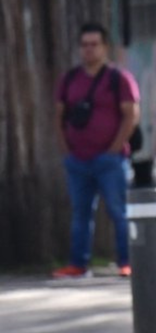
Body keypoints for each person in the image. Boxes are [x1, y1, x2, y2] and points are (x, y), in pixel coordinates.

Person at [52, 22, 140, 279]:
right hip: (77, 160)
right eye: (84, 45)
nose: (89, 50)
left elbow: (131, 115)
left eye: (94, 44)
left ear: (105, 47)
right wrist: (65, 149)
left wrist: (114, 149)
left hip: (110, 160)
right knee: (80, 214)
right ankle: (78, 264)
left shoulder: (118, 78)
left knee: (119, 211)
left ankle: (127, 261)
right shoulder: (69, 79)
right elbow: (59, 117)